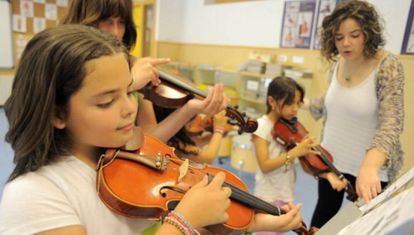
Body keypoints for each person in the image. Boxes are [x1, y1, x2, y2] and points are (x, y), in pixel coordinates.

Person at [0, 25, 304, 235]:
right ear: (57, 114)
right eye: (107, 101)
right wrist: (182, 221)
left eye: (128, 91)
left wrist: (253, 221)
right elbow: (176, 224)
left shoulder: (124, 156)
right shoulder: (33, 195)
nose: (129, 108)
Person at [61, 0, 227, 143]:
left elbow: (149, 137)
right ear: (84, 20)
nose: (116, 33)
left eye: (121, 22)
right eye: (107, 21)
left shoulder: (131, 65)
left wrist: (190, 109)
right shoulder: (66, 63)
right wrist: (130, 84)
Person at [306, 0, 405, 229]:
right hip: (331, 162)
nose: (345, 43)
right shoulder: (338, 63)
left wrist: (369, 166)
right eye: (339, 38)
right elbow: (331, 103)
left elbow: (392, 122)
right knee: (321, 223)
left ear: (368, 33)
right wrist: (302, 103)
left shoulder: (387, 65)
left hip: (370, 171)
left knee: (364, 227)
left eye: (354, 35)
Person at [252, 76, 346, 235]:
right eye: (289, 103)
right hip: (267, 196)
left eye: (298, 103)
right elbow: (265, 166)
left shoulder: (291, 127)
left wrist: (328, 175)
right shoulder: (261, 127)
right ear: (272, 101)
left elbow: (307, 163)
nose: (295, 109)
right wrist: (294, 153)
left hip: (285, 193)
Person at [154, 105, 232, 164]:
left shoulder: (173, 136)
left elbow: (198, 142)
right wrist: (219, 129)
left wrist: (218, 134)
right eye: (190, 124)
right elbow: (208, 158)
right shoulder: (173, 142)